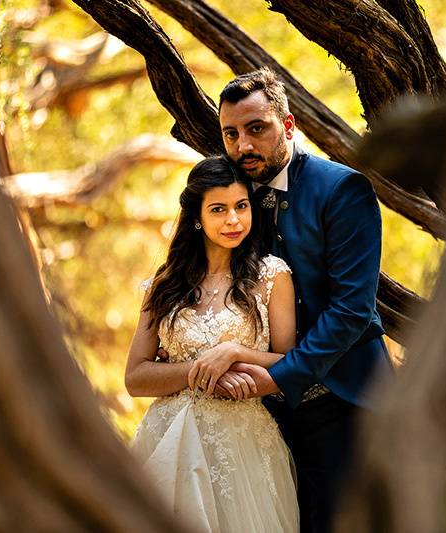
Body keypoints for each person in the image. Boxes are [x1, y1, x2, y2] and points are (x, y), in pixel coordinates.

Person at [215, 68, 393, 533]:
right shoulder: (229, 201)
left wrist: (276, 378)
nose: (243, 146)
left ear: (288, 126)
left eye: (257, 129)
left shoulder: (343, 190)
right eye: (231, 134)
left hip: (344, 404)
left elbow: (352, 310)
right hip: (264, 416)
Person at [126, 156, 299, 533]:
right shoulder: (164, 287)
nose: (233, 220)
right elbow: (135, 378)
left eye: (241, 206)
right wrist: (200, 373)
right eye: (218, 210)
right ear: (197, 217)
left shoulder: (271, 276)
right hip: (169, 440)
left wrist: (235, 353)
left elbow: (289, 360)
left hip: (243, 445)